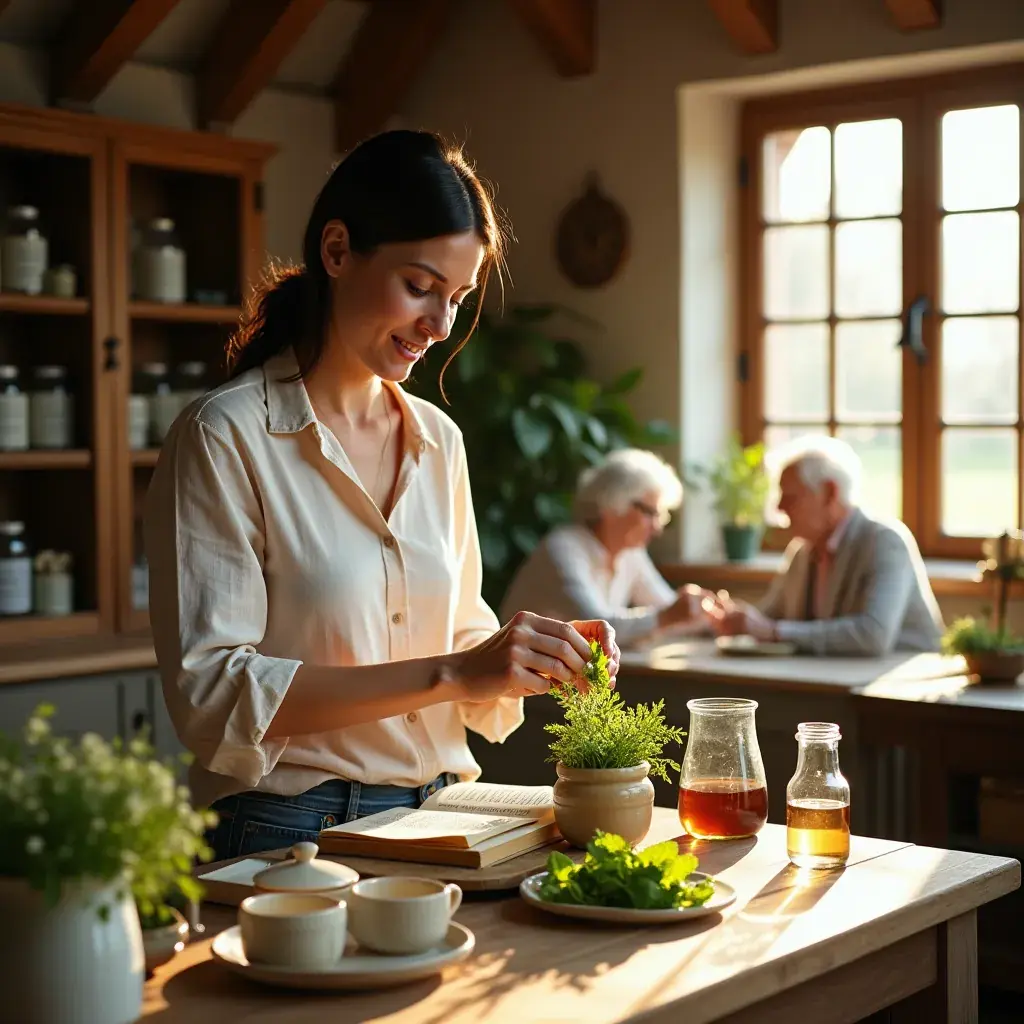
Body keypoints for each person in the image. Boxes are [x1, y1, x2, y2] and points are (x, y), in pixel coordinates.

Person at [144, 130, 619, 860]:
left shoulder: (439, 441)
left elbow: (456, 641)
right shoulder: (224, 436)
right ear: (336, 252)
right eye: (420, 286)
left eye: (456, 297)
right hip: (289, 830)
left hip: (446, 818)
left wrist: (527, 657)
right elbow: (215, 692)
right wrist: (456, 672)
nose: (439, 325)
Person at [707, 435, 943, 656]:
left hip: (900, 688)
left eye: (790, 498)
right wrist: (730, 618)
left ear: (830, 493)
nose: (779, 508)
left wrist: (773, 631)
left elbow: (872, 635)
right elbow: (769, 616)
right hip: (835, 681)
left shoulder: (884, 541)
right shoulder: (802, 551)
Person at [500, 448, 711, 647]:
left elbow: (672, 608)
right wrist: (669, 615)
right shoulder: (563, 549)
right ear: (612, 505)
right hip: (523, 681)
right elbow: (596, 629)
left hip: (565, 678)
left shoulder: (630, 554)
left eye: (660, 515)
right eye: (649, 513)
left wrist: (717, 616)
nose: (657, 528)